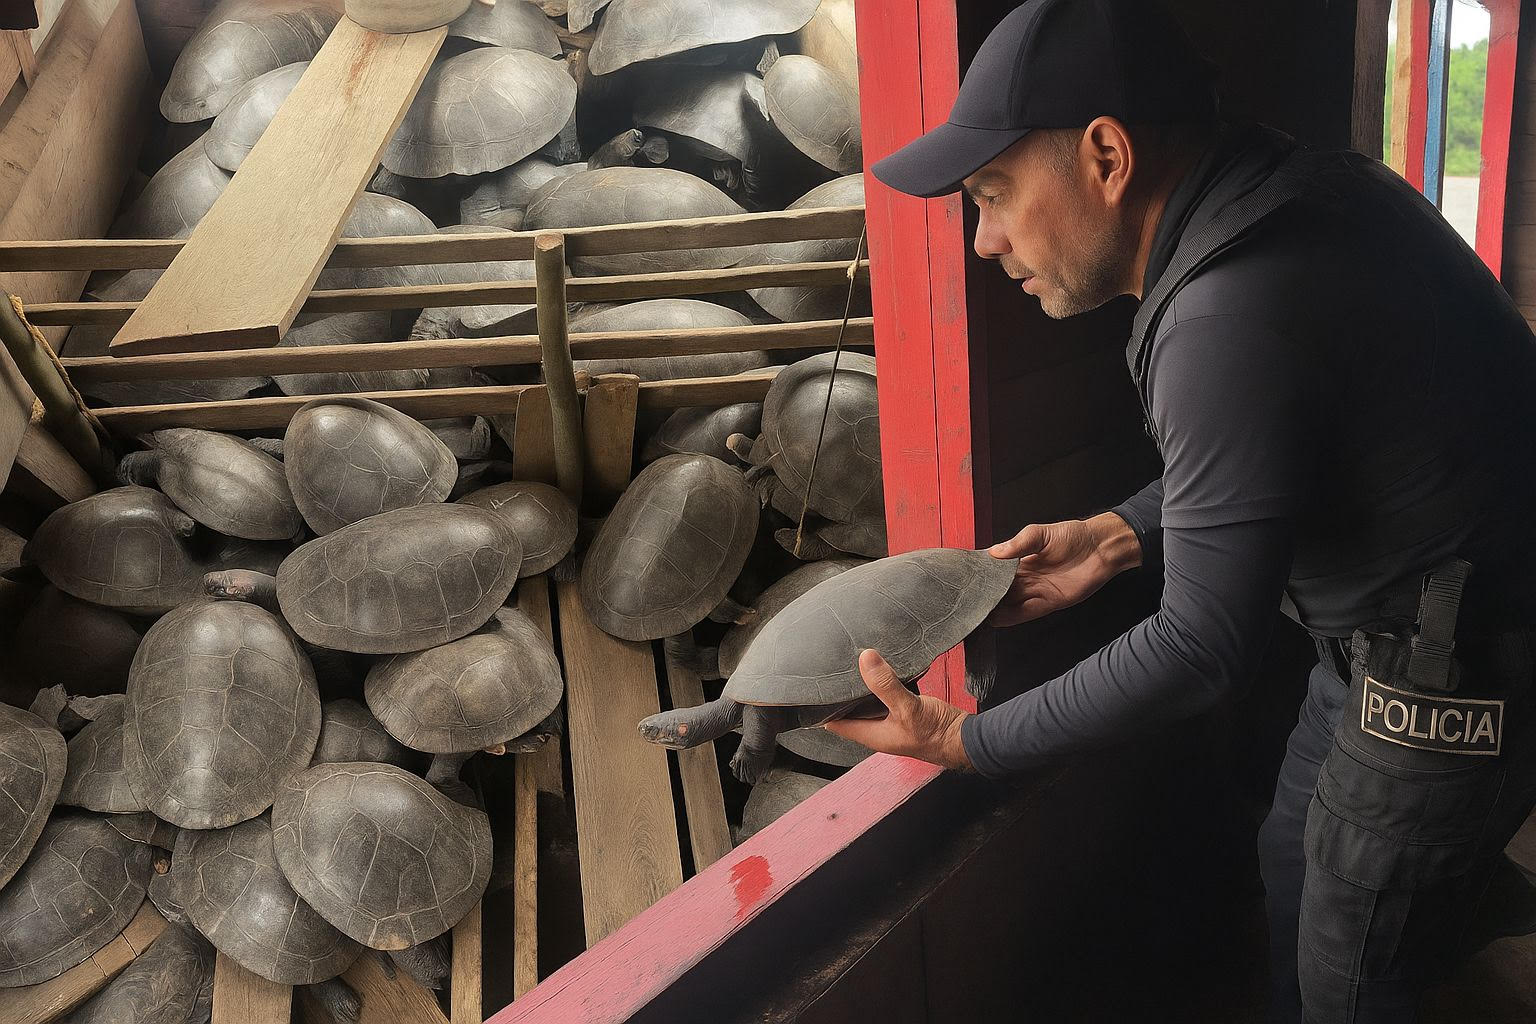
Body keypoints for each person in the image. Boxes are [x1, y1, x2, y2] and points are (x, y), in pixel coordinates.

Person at [822, 0, 1536, 1020]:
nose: (984, 241)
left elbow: (1200, 648)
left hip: (1456, 676)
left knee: (1347, 977)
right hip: (1395, 644)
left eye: (993, 195)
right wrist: (1118, 536)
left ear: (1107, 157)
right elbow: (1279, 446)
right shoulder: (1315, 191)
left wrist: (967, 739)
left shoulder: (1224, 312)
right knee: (1293, 869)